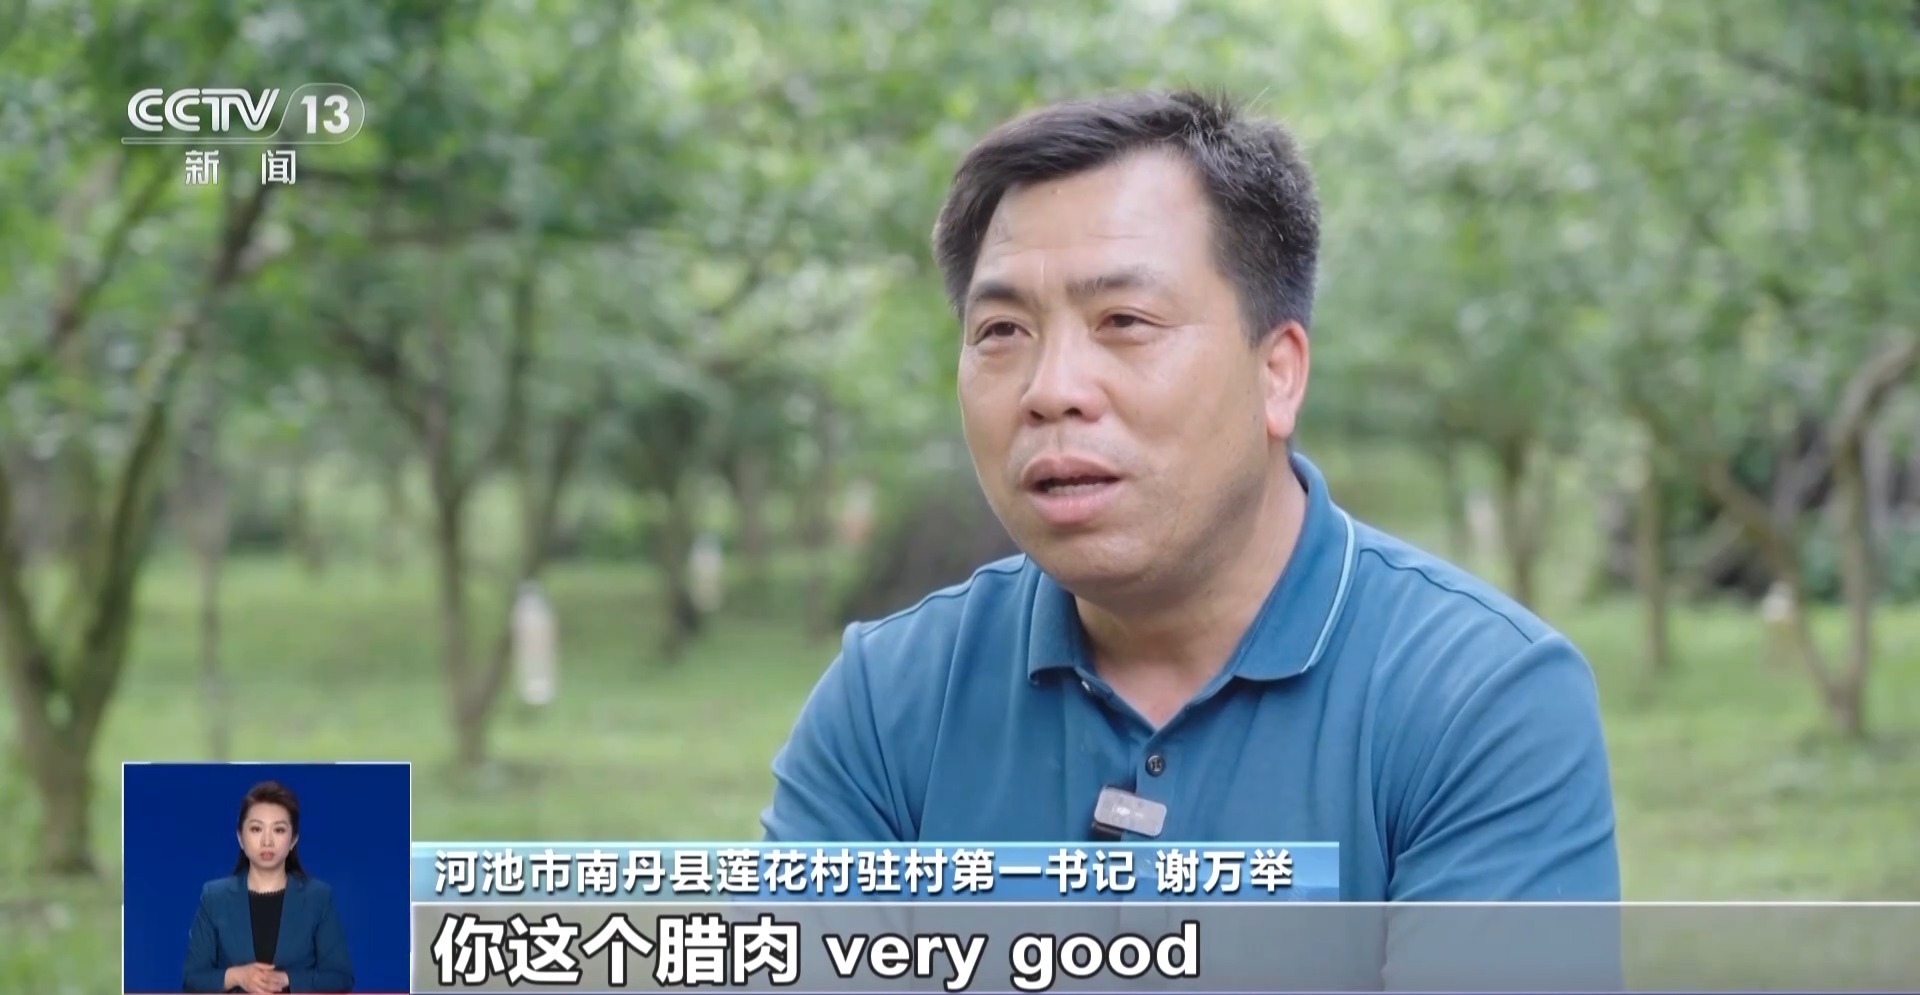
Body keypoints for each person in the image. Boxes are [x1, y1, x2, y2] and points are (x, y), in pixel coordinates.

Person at [759, 90, 1620, 904]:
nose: (1051, 389)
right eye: (1002, 331)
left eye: (1125, 321)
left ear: (1277, 374)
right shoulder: (892, 700)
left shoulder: (1481, 699)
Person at [183, 781, 355, 993]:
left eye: (279, 830)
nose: (267, 841)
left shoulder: (318, 897)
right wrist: (238, 976)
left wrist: (287, 979)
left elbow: (340, 978)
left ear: (293, 840)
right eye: (256, 829)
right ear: (240, 838)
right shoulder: (214, 897)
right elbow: (192, 979)